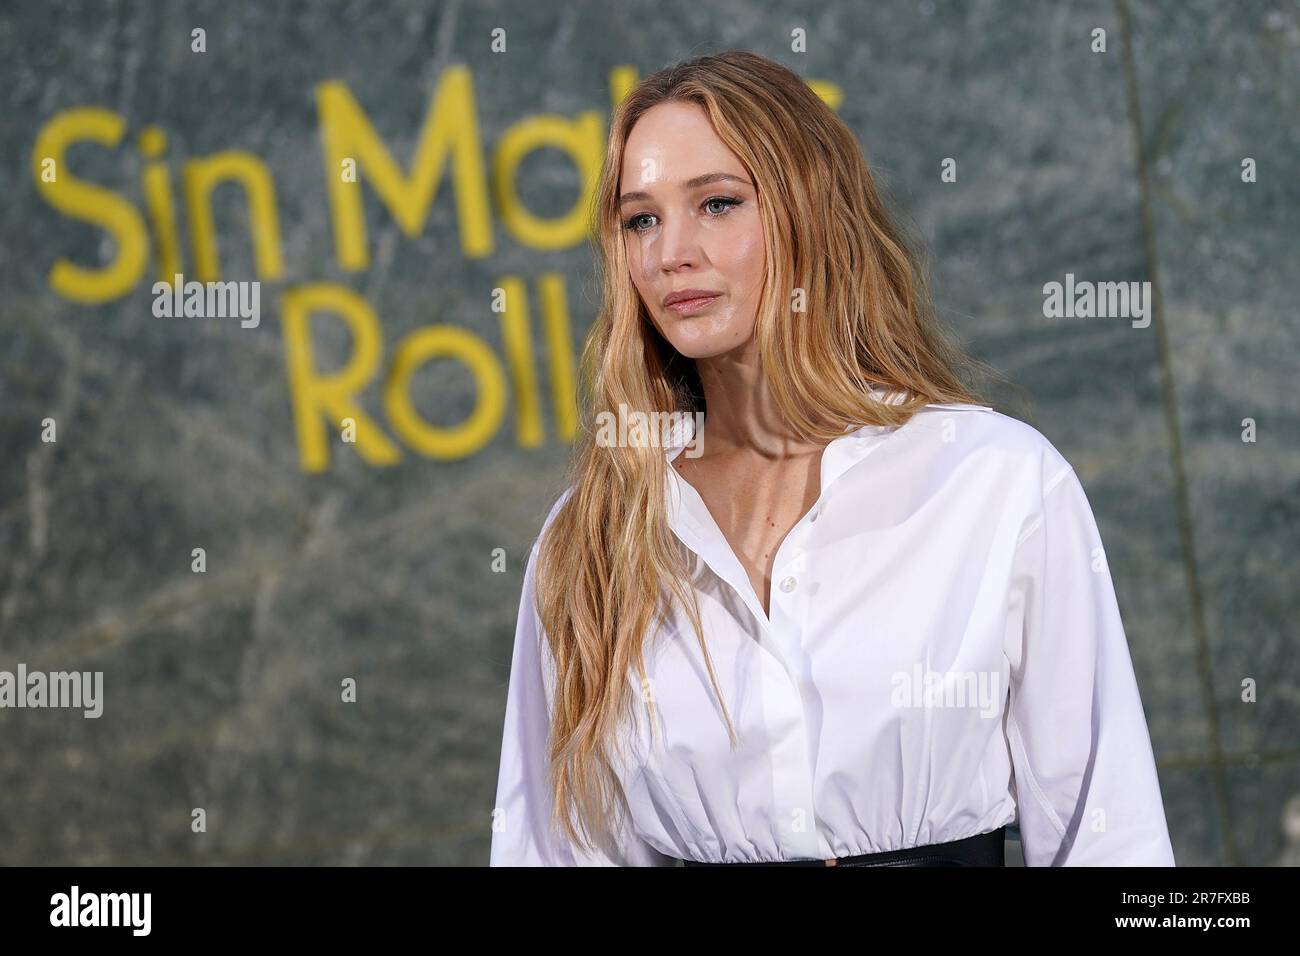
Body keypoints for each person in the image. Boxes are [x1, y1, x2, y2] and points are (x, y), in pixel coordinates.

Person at [488, 51, 1176, 867]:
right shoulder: (593, 531)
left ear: (812, 214)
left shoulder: (993, 481)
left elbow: (1110, 832)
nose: (672, 251)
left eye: (716, 203)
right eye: (641, 219)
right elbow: (552, 850)